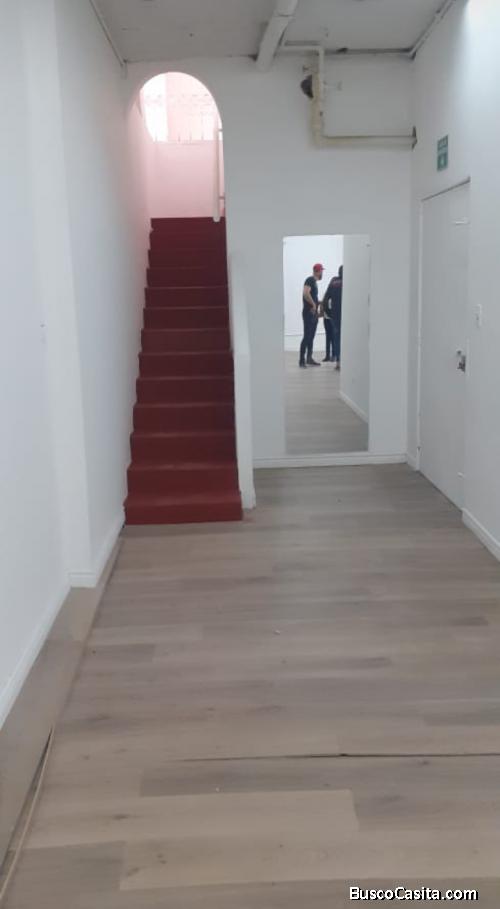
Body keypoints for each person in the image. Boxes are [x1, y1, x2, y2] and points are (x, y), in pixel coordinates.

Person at [299, 263, 323, 368]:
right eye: (321, 271)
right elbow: (305, 293)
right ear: (317, 271)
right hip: (308, 313)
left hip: (313, 314)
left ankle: (309, 358)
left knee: (311, 337)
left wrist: (319, 302)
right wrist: (313, 304)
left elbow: (312, 296)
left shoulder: (314, 282)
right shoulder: (310, 280)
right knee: (307, 336)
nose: (322, 273)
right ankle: (301, 361)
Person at [322, 265, 343, 369]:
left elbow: (325, 299)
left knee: (337, 338)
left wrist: (329, 313)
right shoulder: (348, 282)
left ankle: (339, 362)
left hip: (335, 315)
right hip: (345, 316)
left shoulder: (333, 282)